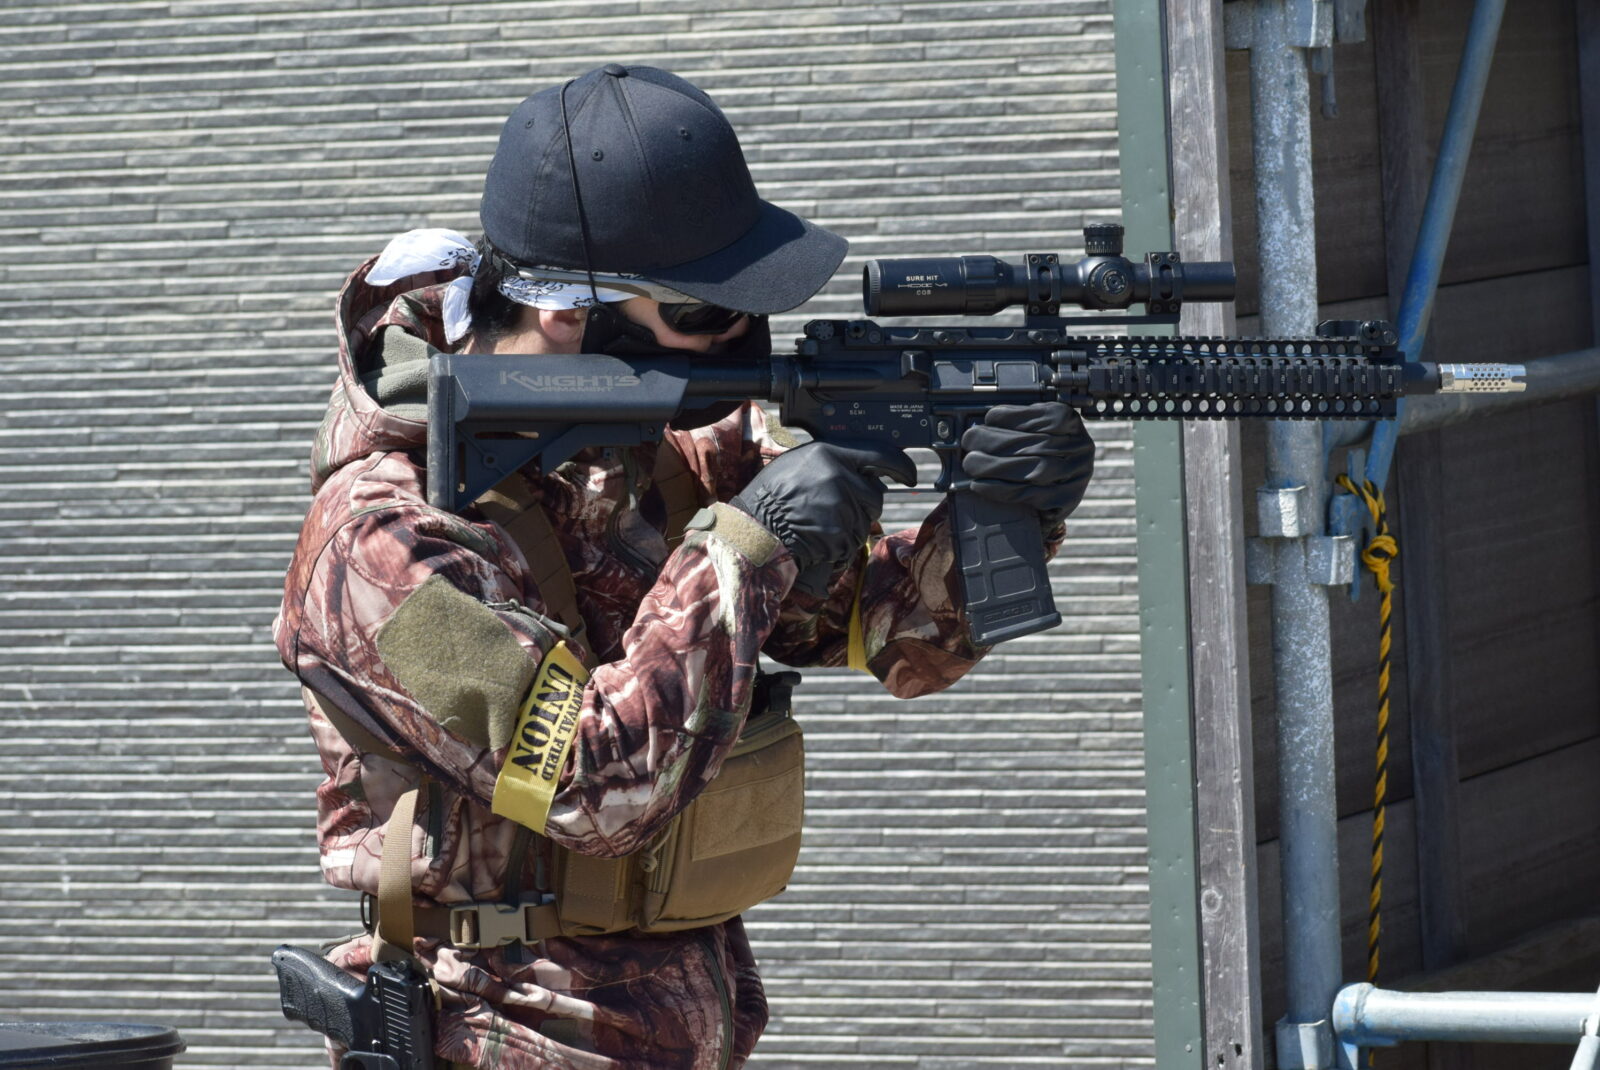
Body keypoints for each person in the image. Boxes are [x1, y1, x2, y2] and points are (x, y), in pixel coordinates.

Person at [275, 63, 1095, 1069]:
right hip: (497, 1029)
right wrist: (744, 547)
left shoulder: (663, 448)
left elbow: (885, 634)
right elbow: (587, 781)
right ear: (570, 314)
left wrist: (1006, 505)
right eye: (705, 314)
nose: (742, 338)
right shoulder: (380, 543)